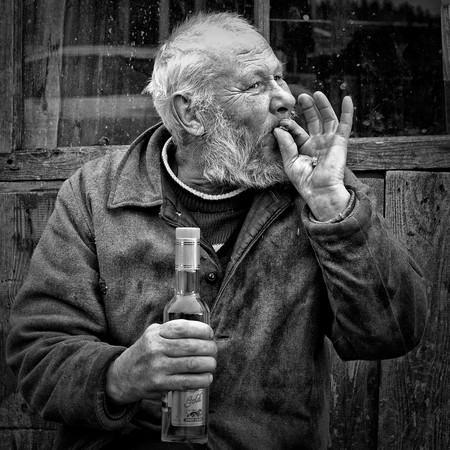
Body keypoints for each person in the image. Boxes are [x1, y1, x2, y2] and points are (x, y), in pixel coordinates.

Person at [7, 11, 427, 450]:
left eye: (279, 78)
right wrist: (122, 374)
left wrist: (332, 206)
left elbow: (393, 333)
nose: (286, 98)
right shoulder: (96, 194)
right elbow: (37, 355)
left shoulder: (317, 187)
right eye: (255, 85)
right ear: (190, 113)